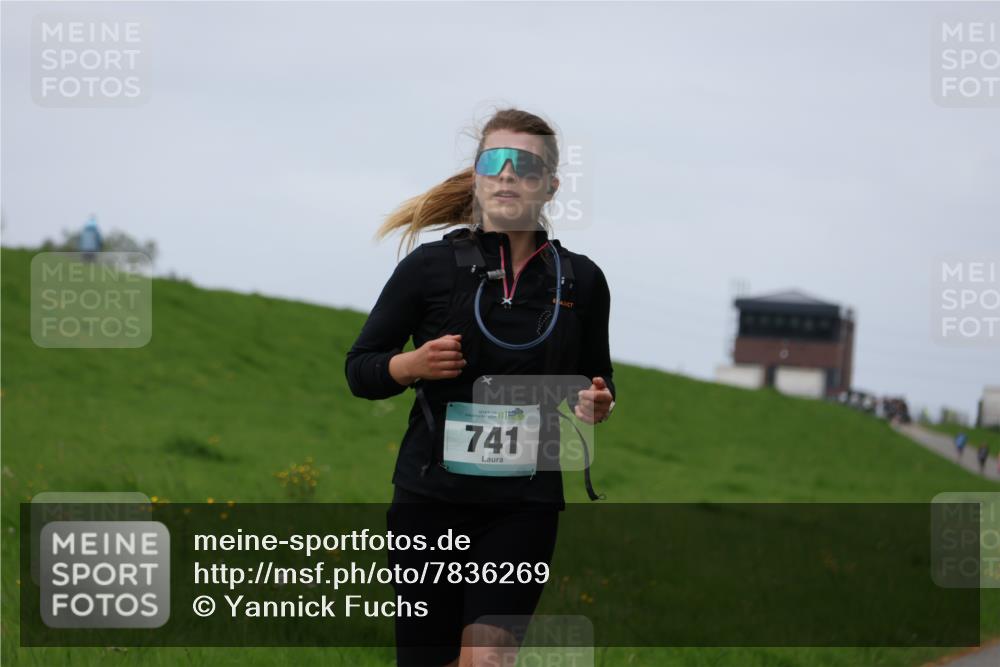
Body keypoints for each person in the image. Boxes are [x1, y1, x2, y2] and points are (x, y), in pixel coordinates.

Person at [345, 108, 616, 667]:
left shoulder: (582, 280)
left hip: (523, 505)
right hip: (429, 502)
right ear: (477, 176)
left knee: (488, 660)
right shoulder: (430, 268)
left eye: (527, 165)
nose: (509, 174)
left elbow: (594, 375)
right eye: (495, 161)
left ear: (551, 185)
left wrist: (595, 399)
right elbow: (360, 368)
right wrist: (411, 365)